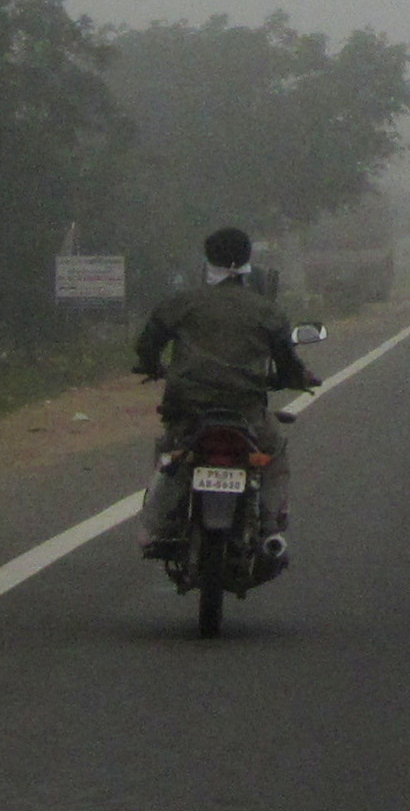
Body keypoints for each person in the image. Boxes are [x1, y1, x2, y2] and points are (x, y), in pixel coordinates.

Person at [133, 225, 319, 564]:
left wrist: (150, 366)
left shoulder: (183, 303)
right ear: (248, 259)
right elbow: (287, 361)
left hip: (189, 410)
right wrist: (297, 378)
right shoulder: (266, 310)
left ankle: (155, 526)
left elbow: (148, 344)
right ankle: (270, 529)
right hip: (245, 411)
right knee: (273, 454)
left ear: (208, 259)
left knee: (170, 454)